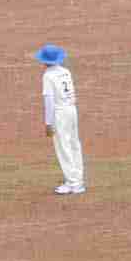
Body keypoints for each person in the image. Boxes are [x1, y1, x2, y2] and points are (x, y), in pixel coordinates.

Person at [38, 45, 85, 195]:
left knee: (63, 146)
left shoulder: (48, 75)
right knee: (74, 144)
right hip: (71, 109)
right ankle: (78, 180)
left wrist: (48, 123)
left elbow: (49, 100)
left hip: (60, 113)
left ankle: (73, 183)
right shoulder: (66, 72)